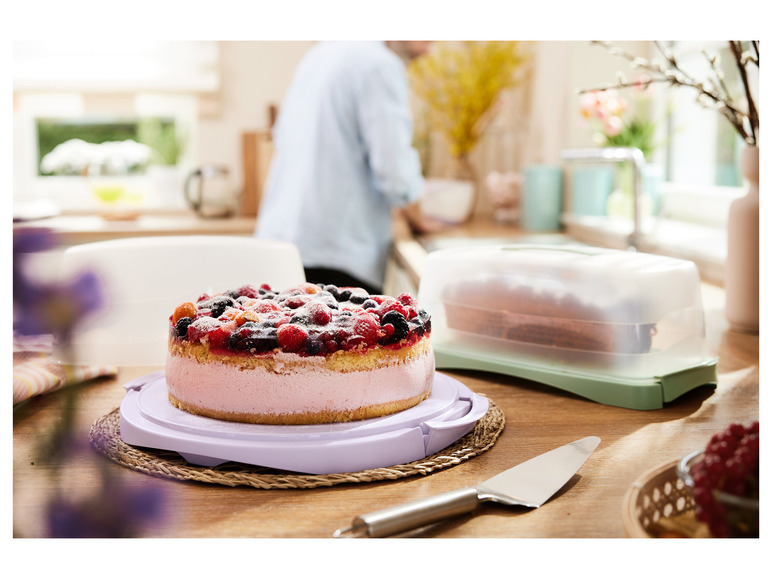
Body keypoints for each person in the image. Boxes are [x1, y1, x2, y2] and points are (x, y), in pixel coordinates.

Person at [255, 41, 439, 295]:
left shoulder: (321, 54)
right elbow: (394, 172)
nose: (431, 47)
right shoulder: (381, 65)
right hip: (337, 258)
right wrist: (420, 218)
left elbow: (283, 139)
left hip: (279, 248)